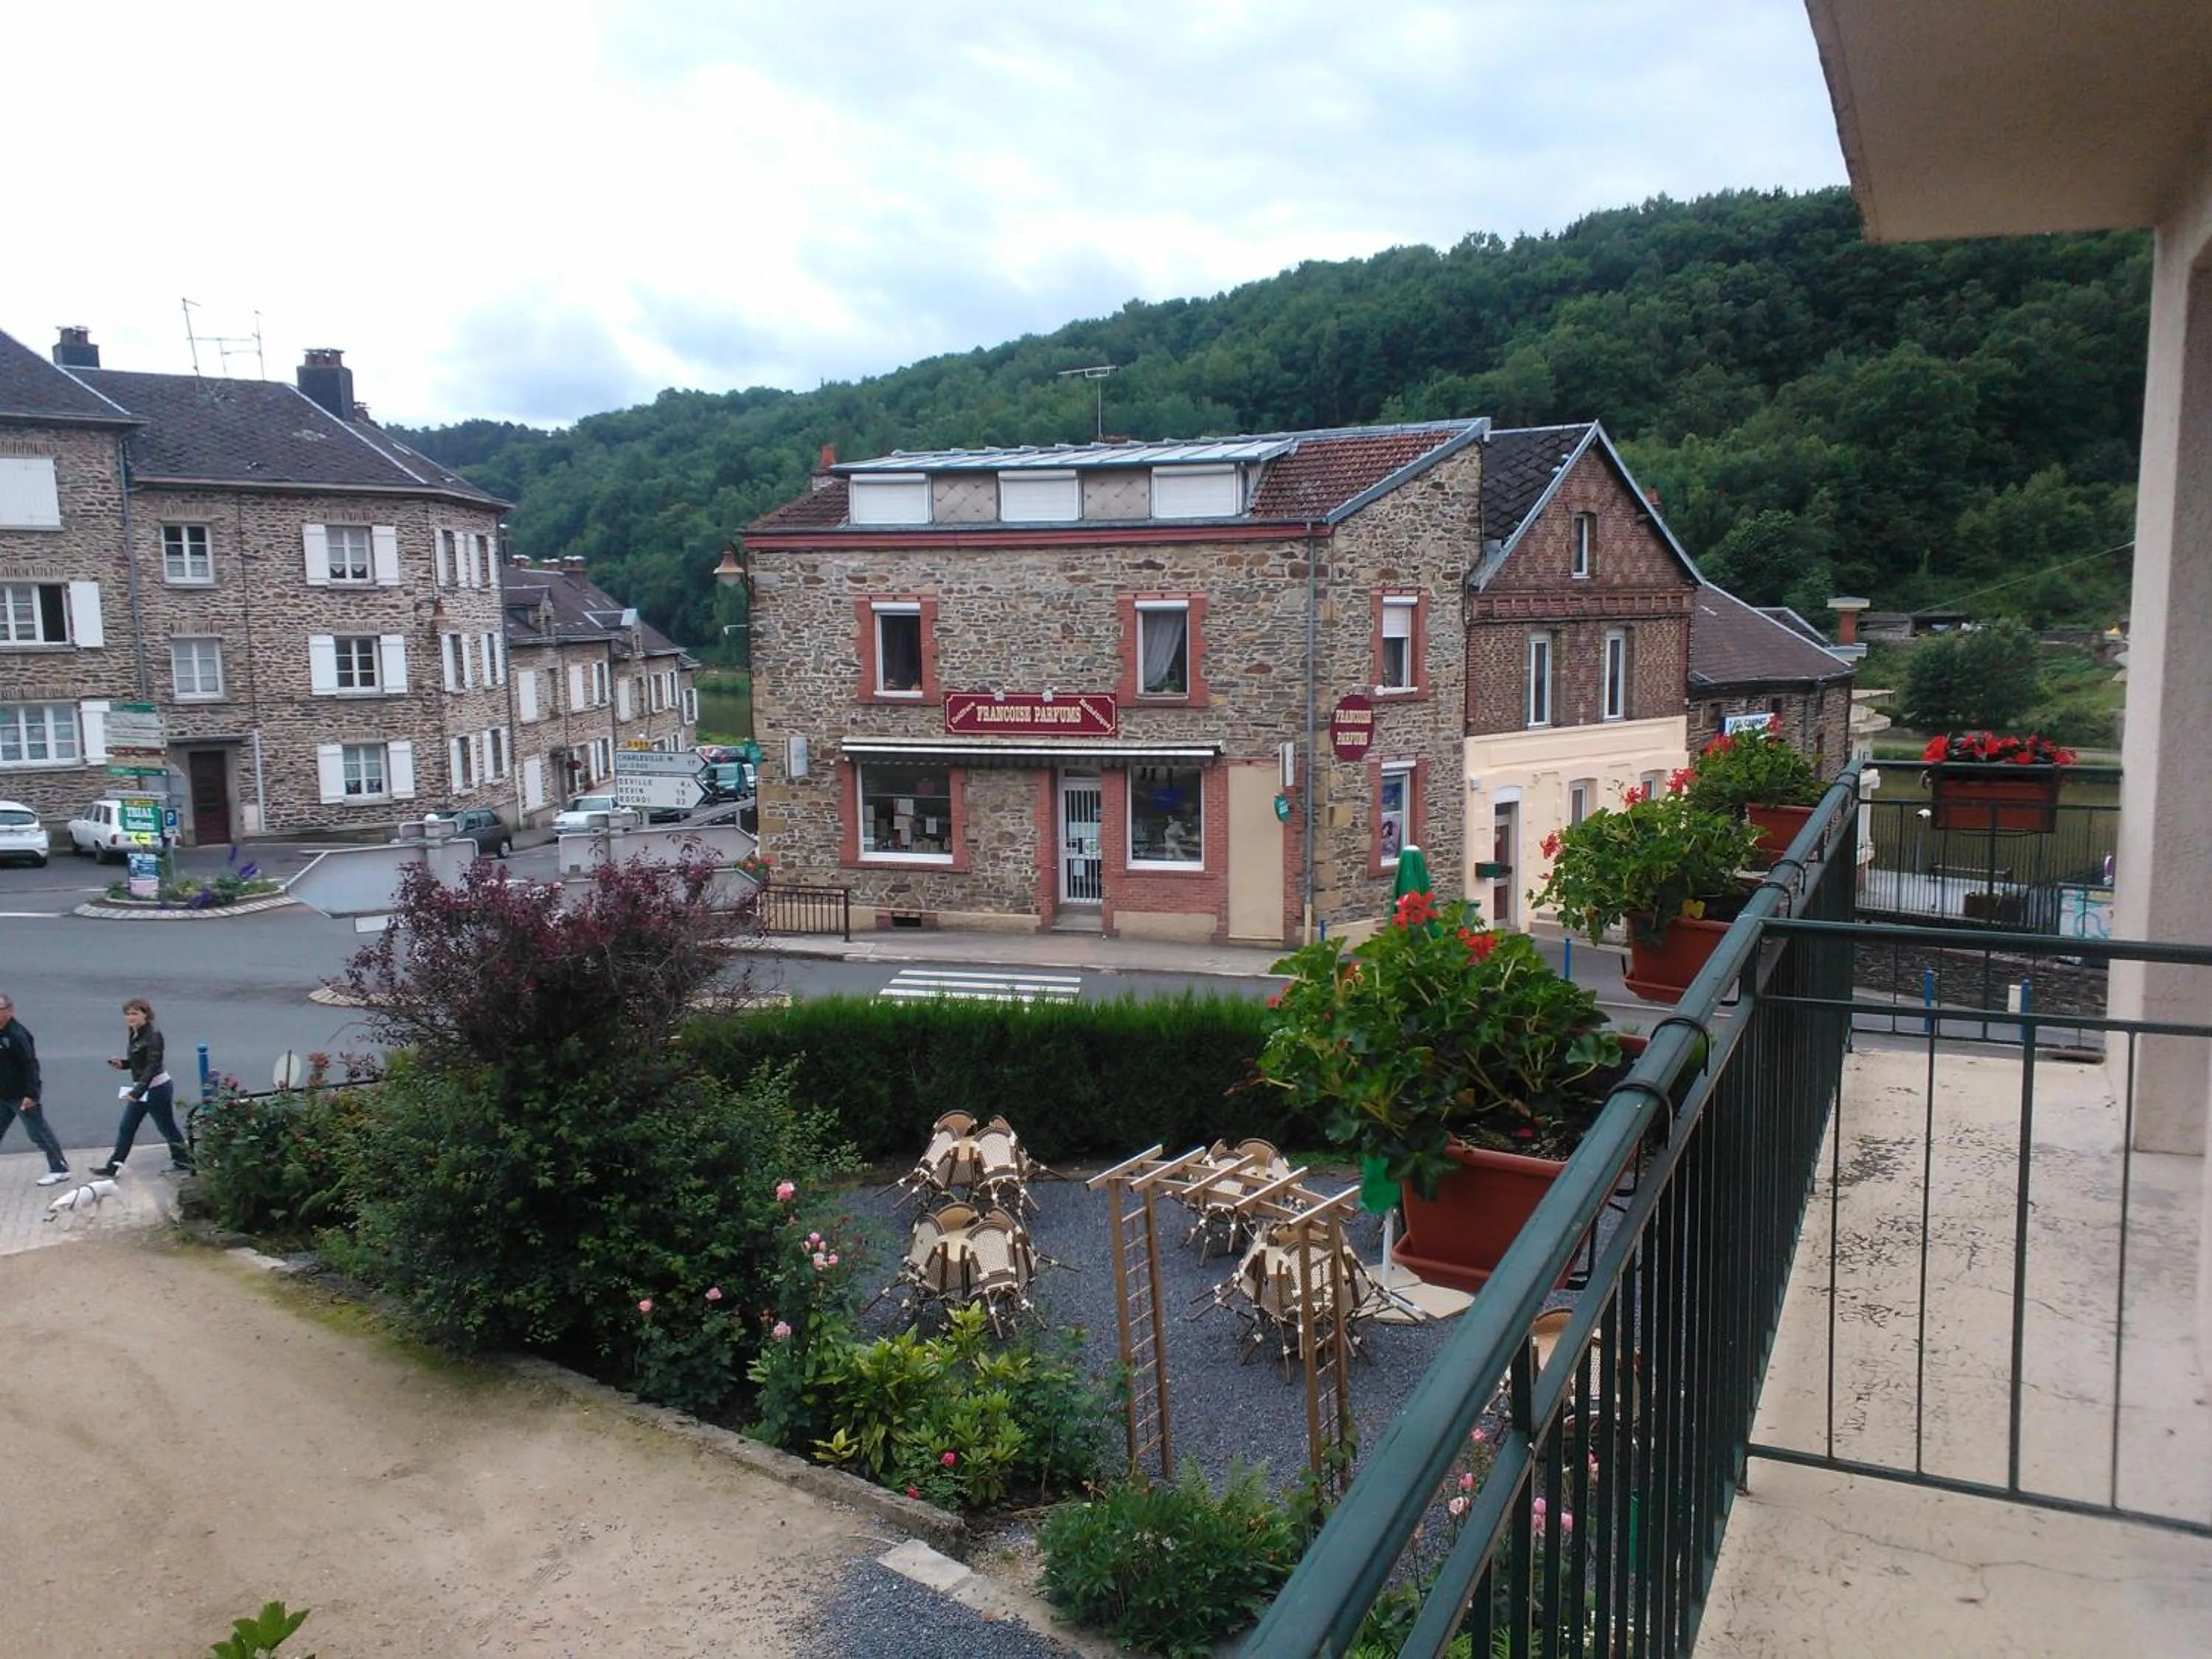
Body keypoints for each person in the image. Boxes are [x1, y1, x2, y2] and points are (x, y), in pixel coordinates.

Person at [94, 997, 193, 1177]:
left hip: (157, 1089)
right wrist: (123, 1064)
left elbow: (153, 1065)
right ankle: (113, 1167)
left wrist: (137, 1091)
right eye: (128, 1014)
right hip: (142, 1089)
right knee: (127, 1127)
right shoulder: (135, 1033)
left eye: (135, 1014)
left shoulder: (154, 1035)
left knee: (166, 1127)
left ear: (146, 1015)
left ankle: (183, 1161)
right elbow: (139, 1061)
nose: (130, 1018)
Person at [0, 992, 72, 1186]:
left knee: (37, 1132)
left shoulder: (17, 1035)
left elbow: (30, 1065)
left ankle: (59, 1168)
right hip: (3, 1094)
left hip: (21, 1095)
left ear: (9, 1011)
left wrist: (31, 1094)